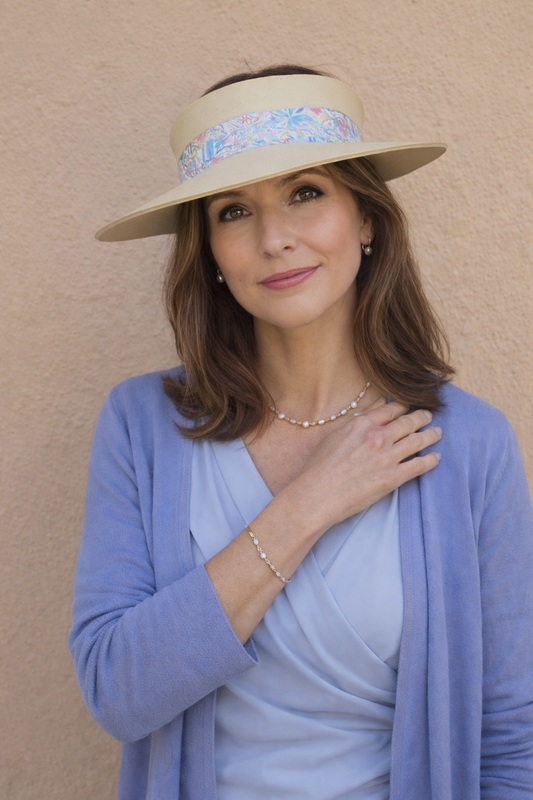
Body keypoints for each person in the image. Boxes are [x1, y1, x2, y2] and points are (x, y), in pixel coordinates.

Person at [69, 65, 533, 800]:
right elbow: (119, 693)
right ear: (211, 253)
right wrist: (310, 501)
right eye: (232, 211)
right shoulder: (141, 426)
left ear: (368, 217)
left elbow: (511, 735)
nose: (274, 238)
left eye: (305, 193)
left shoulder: (469, 445)